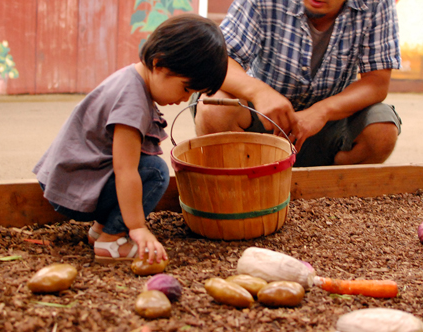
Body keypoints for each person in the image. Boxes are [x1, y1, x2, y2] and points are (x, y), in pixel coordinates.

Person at [32, 14, 228, 264]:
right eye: (186, 89)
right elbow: (124, 169)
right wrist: (137, 227)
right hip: (74, 188)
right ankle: (112, 240)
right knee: (154, 172)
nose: (183, 99)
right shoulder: (132, 101)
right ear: (159, 64)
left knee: (145, 164)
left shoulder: (132, 80)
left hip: (73, 180)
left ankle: (102, 229)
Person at [191, 0, 402, 167]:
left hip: (328, 127)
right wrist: (258, 91)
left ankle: (327, 190)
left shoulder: (377, 3)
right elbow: (221, 60)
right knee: (213, 107)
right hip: (261, 124)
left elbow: (376, 82)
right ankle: (244, 181)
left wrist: (323, 111)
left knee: (382, 131)